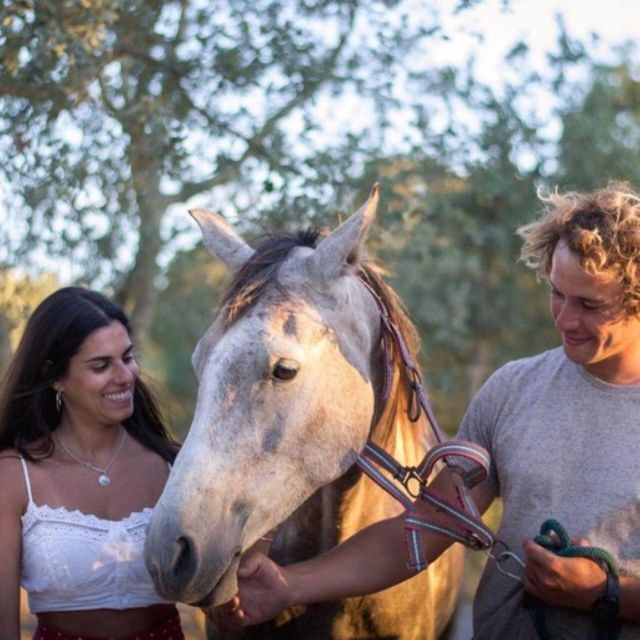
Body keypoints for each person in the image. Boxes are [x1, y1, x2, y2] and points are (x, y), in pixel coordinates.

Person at [221, 183, 640, 639]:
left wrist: (605, 592)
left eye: (589, 305)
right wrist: (287, 585)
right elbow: (420, 531)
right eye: (557, 294)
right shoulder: (512, 390)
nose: (563, 319)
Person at [0, 287, 184, 639]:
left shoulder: (173, 465)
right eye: (101, 365)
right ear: (54, 376)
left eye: (128, 358)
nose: (125, 376)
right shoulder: (14, 475)